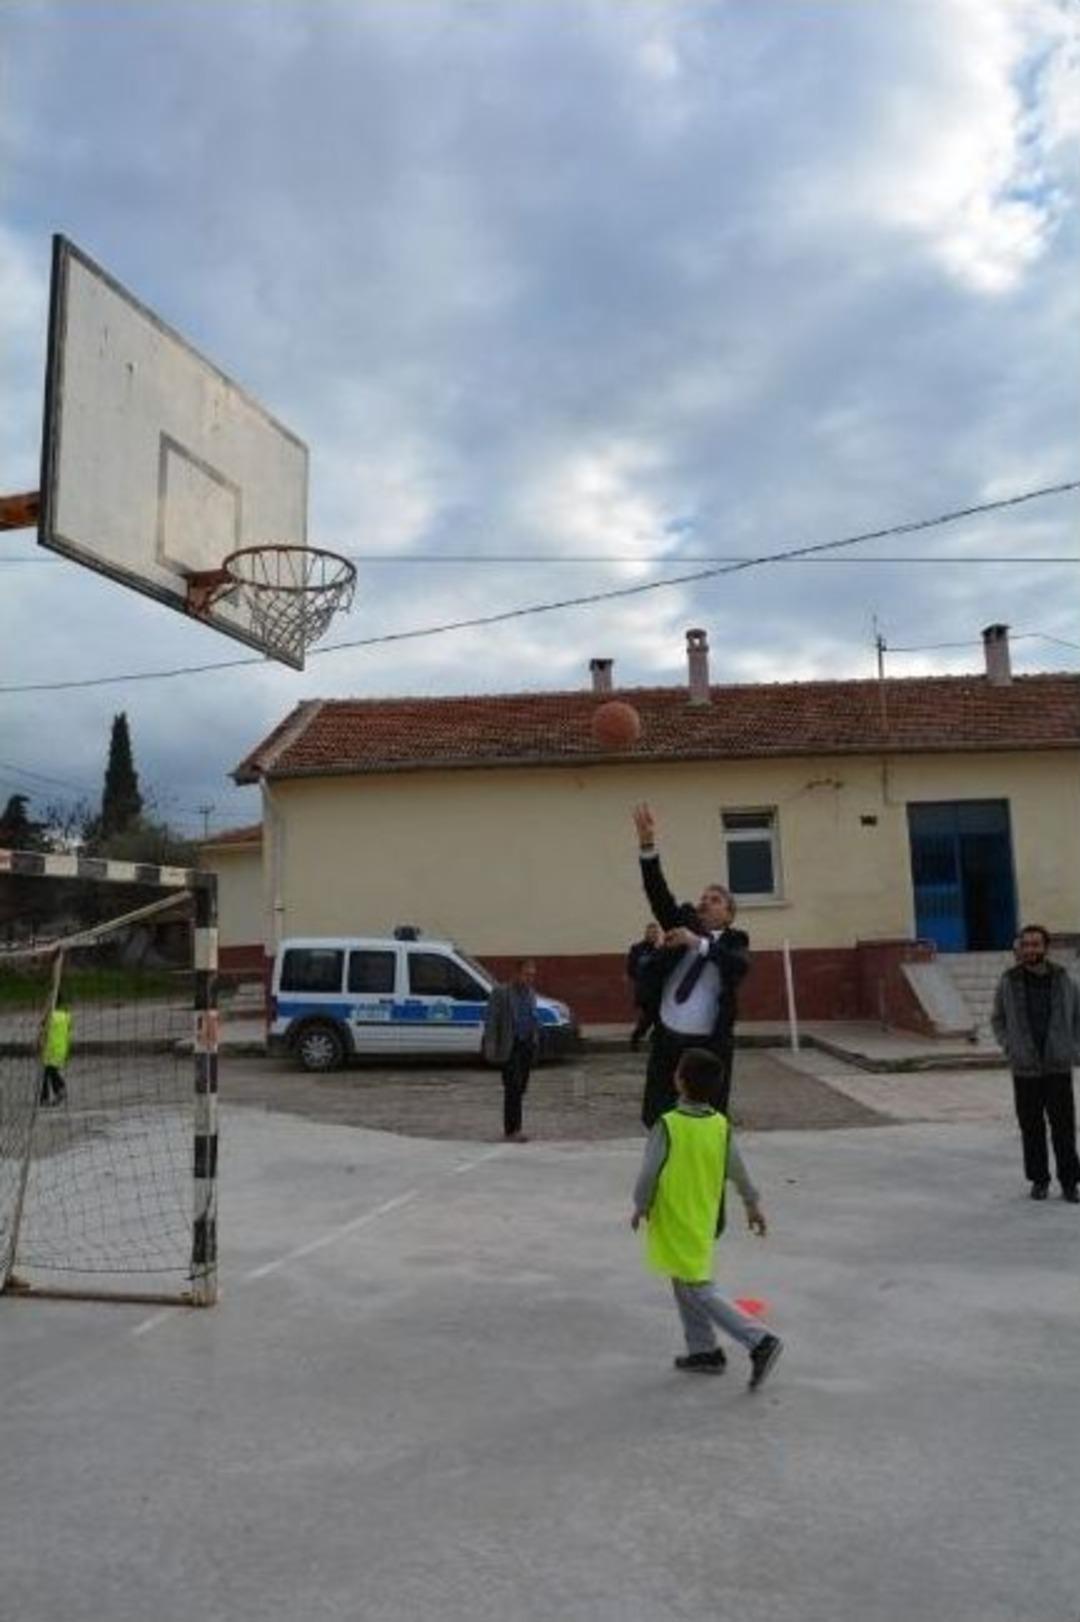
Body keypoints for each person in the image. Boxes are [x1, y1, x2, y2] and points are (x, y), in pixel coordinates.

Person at [631, 1047, 783, 1389]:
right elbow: (738, 1169)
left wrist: (640, 1204)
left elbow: (648, 1173)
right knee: (685, 1281)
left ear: (679, 1081)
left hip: (677, 1217)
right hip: (707, 1216)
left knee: (698, 1286)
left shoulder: (668, 1124)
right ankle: (704, 1350)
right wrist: (751, 1203)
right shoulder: (719, 1124)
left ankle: (759, 1341)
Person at [632, 802, 750, 1127]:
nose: (704, 901)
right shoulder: (683, 921)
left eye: (715, 899)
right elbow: (658, 894)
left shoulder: (735, 941)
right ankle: (662, 1172)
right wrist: (647, 846)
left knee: (705, 1120)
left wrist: (696, 943)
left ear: (728, 914)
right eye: (703, 896)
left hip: (707, 1046)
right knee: (657, 1117)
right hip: (668, 1038)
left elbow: (737, 967)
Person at [990, 924, 1080, 1203]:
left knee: (1064, 1126)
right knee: (1031, 1127)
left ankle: (1070, 1184)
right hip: (1025, 1067)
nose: (1030, 949)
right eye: (1025, 945)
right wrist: (1010, 1047)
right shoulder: (1009, 980)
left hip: (1057, 1066)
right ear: (1020, 948)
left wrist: (1073, 1047)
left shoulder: (1064, 979)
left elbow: (1078, 1016)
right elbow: (998, 1019)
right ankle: (1039, 1180)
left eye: (1036, 944)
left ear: (1045, 947)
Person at [482, 958, 540, 1143]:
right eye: (526, 974)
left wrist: (535, 1039)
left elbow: (532, 1017)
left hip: (526, 1046)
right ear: (516, 973)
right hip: (510, 1046)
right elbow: (492, 1022)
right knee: (512, 1087)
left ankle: (514, 1127)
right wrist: (490, 1048)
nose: (530, 978)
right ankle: (513, 1129)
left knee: (520, 1087)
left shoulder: (531, 994)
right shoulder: (501, 993)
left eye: (532, 975)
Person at [626, 921, 662, 1049]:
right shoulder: (637, 949)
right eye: (651, 933)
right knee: (650, 1016)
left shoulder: (660, 949)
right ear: (646, 933)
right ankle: (636, 1037)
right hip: (645, 990)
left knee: (657, 1017)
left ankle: (653, 1038)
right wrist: (641, 978)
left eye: (656, 933)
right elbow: (631, 969)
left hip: (658, 989)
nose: (654, 935)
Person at [39, 992, 71, 1108]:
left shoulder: (49, 1016)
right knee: (49, 1071)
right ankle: (56, 1092)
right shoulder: (66, 1016)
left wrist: (39, 1043)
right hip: (62, 1049)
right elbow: (68, 1033)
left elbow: (43, 1031)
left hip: (50, 1049)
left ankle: (50, 1094)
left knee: (45, 1072)